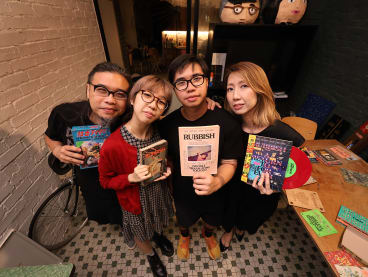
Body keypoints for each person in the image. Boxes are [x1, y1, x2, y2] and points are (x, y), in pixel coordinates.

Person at [158, 54, 243, 261]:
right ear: (174, 88)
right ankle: (184, 236)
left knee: (213, 219)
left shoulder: (227, 122)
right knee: (184, 219)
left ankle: (207, 234)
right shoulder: (166, 125)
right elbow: (165, 159)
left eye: (196, 78)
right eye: (181, 82)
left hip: (216, 187)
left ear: (208, 79)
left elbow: (230, 161)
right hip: (181, 189)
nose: (189, 87)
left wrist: (218, 180)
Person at [219, 61, 305, 251]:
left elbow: (300, 169)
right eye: (230, 88)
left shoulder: (283, 133)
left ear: (260, 89)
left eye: (244, 86)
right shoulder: (229, 124)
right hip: (231, 189)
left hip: (258, 196)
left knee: (248, 220)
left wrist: (278, 188)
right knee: (228, 214)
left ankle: (240, 228)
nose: (235, 96)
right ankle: (229, 230)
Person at [98, 75, 174, 277]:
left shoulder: (158, 132)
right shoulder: (112, 145)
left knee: (157, 220)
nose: (153, 105)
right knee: (140, 232)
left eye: (161, 102)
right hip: (134, 202)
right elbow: (105, 181)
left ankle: (158, 237)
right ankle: (151, 255)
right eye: (147, 95)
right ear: (132, 98)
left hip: (157, 193)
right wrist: (130, 178)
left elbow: (167, 157)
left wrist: (167, 168)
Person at [44, 62, 131, 226]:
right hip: (91, 184)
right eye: (102, 90)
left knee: (131, 213)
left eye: (120, 94)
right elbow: (49, 136)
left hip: (124, 182)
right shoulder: (65, 115)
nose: (110, 100)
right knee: (106, 214)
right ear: (88, 90)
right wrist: (56, 148)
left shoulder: (130, 118)